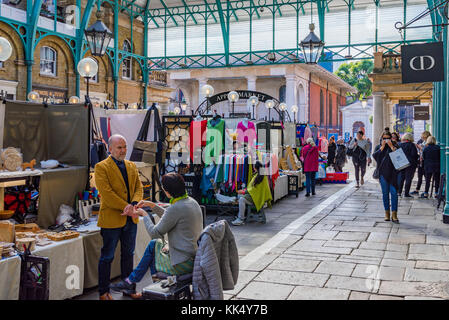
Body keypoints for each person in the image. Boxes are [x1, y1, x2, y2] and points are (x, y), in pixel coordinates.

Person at [110, 173, 203, 296]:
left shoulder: (176, 208)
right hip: (193, 258)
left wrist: (144, 215)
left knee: (153, 245)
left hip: (183, 263)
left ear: (168, 192)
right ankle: (134, 282)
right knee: (154, 246)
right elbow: (170, 216)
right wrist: (152, 205)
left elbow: (155, 233)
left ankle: (142, 284)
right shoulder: (191, 202)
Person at [94, 134, 143, 300]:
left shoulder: (131, 165)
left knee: (128, 255)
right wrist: (126, 207)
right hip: (111, 219)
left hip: (131, 218)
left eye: (124, 147)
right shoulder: (101, 167)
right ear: (110, 148)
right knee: (107, 256)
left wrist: (134, 204)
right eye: (119, 147)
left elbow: (138, 187)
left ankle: (128, 289)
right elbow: (106, 194)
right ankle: (103, 292)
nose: (123, 150)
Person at [231, 161, 272, 226]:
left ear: (256, 168)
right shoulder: (259, 175)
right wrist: (245, 190)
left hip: (256, 198)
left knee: (241, 199)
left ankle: (240, 219)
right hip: (255, 196)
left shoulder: (261, 177)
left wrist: (244, 191)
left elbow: (255, 190)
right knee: (239, 196)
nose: (253, 168)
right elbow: (253, 189)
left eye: (254, 166)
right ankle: (241, 215)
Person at [373, 131, 400, 223]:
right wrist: (382, 147)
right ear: (382, 139)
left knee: (394, 193)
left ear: (391, 138)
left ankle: (394, 214)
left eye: (388, 138)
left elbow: (400, 157)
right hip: (383, 174)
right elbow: (375, 157)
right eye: (384, 138)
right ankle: (387, 214)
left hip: (393, 174)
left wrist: (392, 147)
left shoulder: (396, 146)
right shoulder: (379, 147)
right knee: (385, 194)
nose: (386, 140)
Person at [398, 132, 419, 198]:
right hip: (410, 164)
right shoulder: (412, 145)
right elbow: (414, 155)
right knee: (408, 179)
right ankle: (406, 193)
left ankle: (399, 192)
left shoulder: (400, 145)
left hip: (402, 163)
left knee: (401, 178)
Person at [411, 131, 432, 196]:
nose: (421, 138)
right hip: (421, 162)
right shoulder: (423, 142)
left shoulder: (428, 143)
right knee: (419, 177)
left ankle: (426, 192)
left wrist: (420, 148)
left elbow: (425, 151)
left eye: (423, 137)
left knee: (427, 178)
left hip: (425, 162)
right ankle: (417, 189)